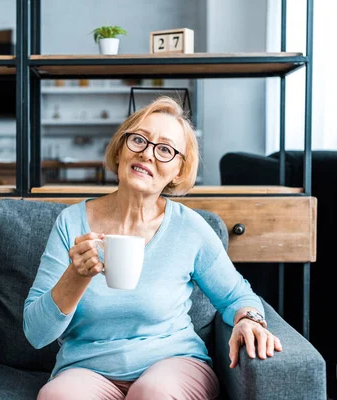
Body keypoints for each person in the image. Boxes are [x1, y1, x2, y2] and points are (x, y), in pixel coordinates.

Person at [23, 97, 283, 400]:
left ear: (178, 170)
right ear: (120, 150)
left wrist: (249, 320)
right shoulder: (71, 222)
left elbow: (237, 295)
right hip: (87, 370)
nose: (146, 153)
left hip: (173, 364)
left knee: (152, 393)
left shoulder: (190, 227)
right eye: (138, 140)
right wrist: (76, 275)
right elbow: (36, 333)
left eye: (164, 149)